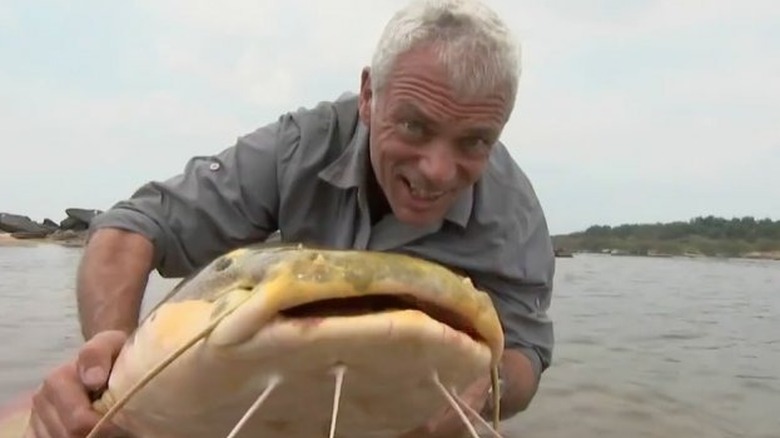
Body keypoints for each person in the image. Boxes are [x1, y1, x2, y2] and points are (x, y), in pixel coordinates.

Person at [25, 0, 555, 436]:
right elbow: (132, 227)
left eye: (475, 142)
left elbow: (525, 355)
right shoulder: (302, 146)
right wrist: (107, 362)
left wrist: (481, 399)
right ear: (369, 96)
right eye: (414, 127)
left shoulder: (515, 218)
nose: (438, 170)